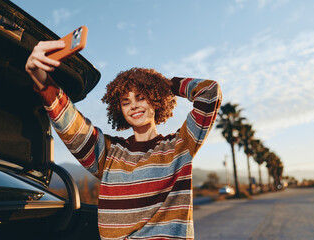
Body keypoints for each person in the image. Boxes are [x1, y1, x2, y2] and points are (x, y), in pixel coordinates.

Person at [25, 40, 222, 240]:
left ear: (156, 99)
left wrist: (166, 85)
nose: (133, 106)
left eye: (141, 97)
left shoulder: (180, 146)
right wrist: (40, 77)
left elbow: (210, 92)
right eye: (125, 102)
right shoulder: (110, 153)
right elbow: (71, 124)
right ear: (119, 110)